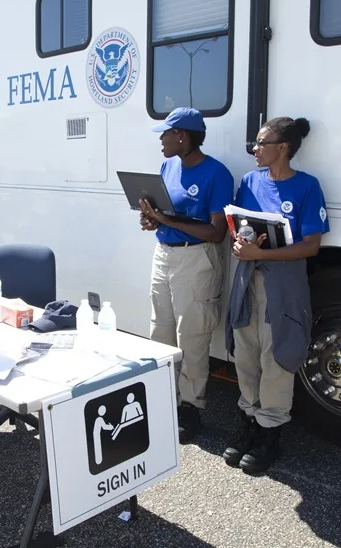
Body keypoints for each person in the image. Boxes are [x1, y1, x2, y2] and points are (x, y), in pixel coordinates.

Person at [223, 117, 329, 474]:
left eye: (261, 143)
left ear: (282, 148)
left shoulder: (307, 187)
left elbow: (311, 246)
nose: (254, 150)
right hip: (247, 281)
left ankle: (271, 432)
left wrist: (261, 255)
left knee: (276, 356)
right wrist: (240, 243)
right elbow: (239, 226)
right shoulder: (250, 182)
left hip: (282, 287)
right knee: (246, 352)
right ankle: (249, 422)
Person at [139, 107, 234, 443]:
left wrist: (168, 221)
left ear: (182, 136)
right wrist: (152, 219)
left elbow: (216, 232)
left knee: (191, 335)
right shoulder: (168, 166)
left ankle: (190, 407)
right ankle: (163, 395)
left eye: (165, 134)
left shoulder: (217, 174)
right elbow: (165, 214)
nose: (161, 141)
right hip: (163, 253)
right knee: (160, 329)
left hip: (196, 259)